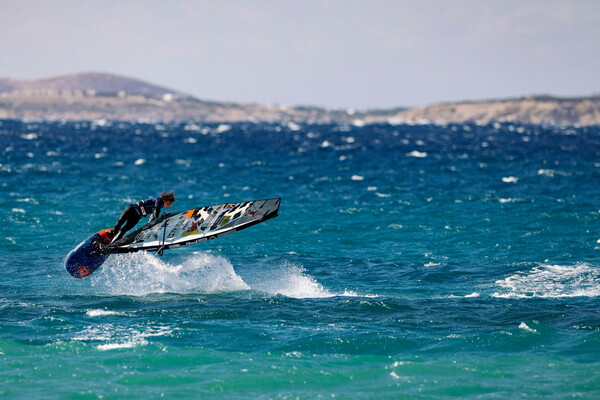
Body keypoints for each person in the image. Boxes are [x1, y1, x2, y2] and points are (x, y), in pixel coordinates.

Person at [110, 190, 176, 244]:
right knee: (118, 225)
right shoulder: (158, 200)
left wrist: (152, 229)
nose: (170, 206)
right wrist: (157, 222)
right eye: (171, 204)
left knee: (124, 230)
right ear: (168, 202)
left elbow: (152, 217)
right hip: (132, 209)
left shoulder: (159, 206)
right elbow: (156, 212)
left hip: (137, 216)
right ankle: (110, 239)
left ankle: (113, 244)